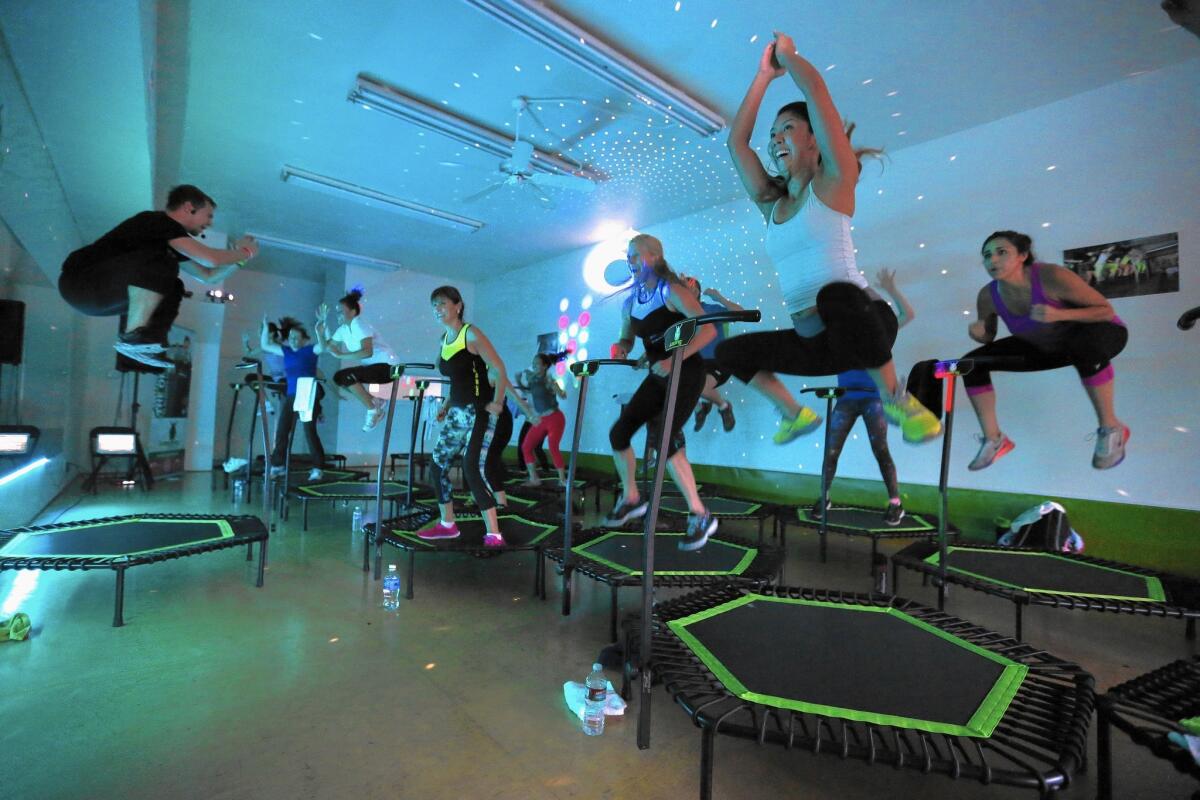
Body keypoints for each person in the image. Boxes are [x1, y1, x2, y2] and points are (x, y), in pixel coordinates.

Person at [716, 32, 940, 446]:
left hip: (866, 323)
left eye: (787, 128)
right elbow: (736, 143)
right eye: (773, 133)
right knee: (727, 354)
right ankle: (794, 413)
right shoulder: (772, 205)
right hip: (816, 345)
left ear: (814, 140)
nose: (776, 138)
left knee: (835, 295)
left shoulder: (835, 182)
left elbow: (816, 92)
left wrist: (788, 57)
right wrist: (763, 77)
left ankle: (897, 400)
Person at [963, 230, 1130, 470]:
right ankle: (995, 439)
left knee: (1082, 346)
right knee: (968, 364)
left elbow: (1105, 311)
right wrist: (978, 334)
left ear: (1023, 255)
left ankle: (1112, 428)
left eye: (1002, 252)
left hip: (1102, 333)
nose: (993, 260)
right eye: (987, 256)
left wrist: (1060, 314)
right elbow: (988, 337)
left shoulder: (1051, 276)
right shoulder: (987, 295)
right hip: (1045, 346)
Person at [58, 184, 257, 369]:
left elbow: (208, 276)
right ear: (189, 207)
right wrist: (244, 252)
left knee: (174, 285)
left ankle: (146, 341)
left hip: (96, 299)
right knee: (164, 263)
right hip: (80, 281)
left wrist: (240, 261)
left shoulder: (166, 242)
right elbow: (210, 259)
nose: (210, 223)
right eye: (208, 215)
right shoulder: (157, 222)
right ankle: (134, 338)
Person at [604, 234, 718, 551]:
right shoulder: (630, 302)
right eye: (627, 256)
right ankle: (631, 498)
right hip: (659, 373)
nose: (630, 262)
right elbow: (625, 339)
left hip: (687, 370)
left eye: (635, 255)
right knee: (620, 432)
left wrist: (674, 359)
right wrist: (621, 348)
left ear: (654, 256)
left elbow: (708, 329)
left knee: (664, 436)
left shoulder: (673, 291)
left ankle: (700, 513)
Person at [816, 269, 916, 525]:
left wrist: (890, 290)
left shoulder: (881, 332)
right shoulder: (837, 333)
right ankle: (823, 497)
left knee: (880, 449)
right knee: (831, 451)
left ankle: (896, 503)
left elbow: (907, 316)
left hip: (873, 399)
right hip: (846, 400)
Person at [416, 286, 513, 547]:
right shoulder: (443, 340)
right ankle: (448, 524)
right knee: (437, 465)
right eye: (434, 305)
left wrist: (497, 402)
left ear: (458, 306)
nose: (437, 309)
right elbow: (459, 379)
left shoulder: (471, 333)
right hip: (458, 411)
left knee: (472, 467)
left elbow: (499, 367)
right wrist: (447, 404)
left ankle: (494, 533)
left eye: (442, 303)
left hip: (478, 411)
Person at [314, 288, 398, 432]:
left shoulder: (359, 324)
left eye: (341, 311)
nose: (338, 315)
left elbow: (367, 351)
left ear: (353, 312)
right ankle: (375, 401)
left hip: (389, 367)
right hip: (374, 367)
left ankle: (373, 409)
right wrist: (320, 330)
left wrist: (341, 355)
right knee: (339, 378)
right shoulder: (343, 330)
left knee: (345, 376)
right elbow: (326, 347)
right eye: (337, 312)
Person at [259, 317, 325, 482]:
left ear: (304, 339)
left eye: (297, 338)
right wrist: (266, 327)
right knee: (282, 430)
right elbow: (265, 345)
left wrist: (320, 330)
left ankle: (318, 468)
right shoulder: (286, 351)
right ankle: (278, 465)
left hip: (308, 393)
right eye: (291, 338)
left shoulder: (310, 350)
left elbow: (323, 346)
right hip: (291, 395)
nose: (293, 340)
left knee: (310, 432)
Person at [683, 277, 741, 433]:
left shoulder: (710, 309)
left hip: (717, 361)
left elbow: (741, 313)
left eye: (691, 287)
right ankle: (700, 408)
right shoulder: (680, 316)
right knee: (675, 381)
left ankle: (724, 407)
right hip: (695, 363)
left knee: (699, 386)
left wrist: (719, 297)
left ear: (697, 291)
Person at [516, 352, 569, 486]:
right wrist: (518, 380)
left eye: (537, 364)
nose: (534, 366)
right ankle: (534, 478)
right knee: (526, 447)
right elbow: (528, 391)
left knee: (553, 447)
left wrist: (560, 391)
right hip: (541, 419)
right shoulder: (533, 380)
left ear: (545, 366)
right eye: (533, 364)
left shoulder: (549, 379)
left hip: (555, 418)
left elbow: (562, 395)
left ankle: (563, 479)